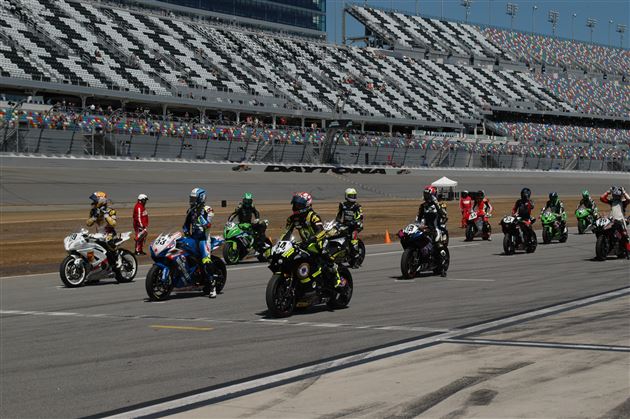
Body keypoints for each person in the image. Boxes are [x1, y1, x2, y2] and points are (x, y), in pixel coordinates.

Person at [283, 192, 340, 287]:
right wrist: (281, 244)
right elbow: (286, 233)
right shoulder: (291, 219)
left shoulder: (313, 217)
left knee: (325, 255)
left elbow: (321, 232)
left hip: (318, 242)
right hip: (305, 244)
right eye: (294, 204)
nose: (295, 207)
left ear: (306, 205)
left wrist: (311, 240)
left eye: (299, 205)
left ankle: (336, 276)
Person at [182, 187, 217, 298]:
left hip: (204, 239)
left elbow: (208, 225)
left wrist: (199, 216)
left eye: (193, 198)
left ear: (200, 198)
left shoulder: (208, 210)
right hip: (193, 238)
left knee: (206, 261)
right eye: (191, 198)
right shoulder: (190, 210)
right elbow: (186, 225)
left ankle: (212, 286)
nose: (191, 200)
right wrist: (186, 232)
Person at [86, 191, 123, 280]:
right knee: (87, 243)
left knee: (108, 241)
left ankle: (117, 259)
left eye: (95, 201)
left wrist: (106, 215)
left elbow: (113, 223)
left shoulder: (111, 211)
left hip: (109, 234)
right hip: (98, 234)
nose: (93, 203)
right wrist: (94, 217)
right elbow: (88, 223)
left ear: (101, 201)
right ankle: (94, 267)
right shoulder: (93, 211)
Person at [416, 185, 448, 277]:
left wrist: (436, 203)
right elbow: (418, 218)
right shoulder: (422, 206)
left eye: (428, 195)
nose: (426, 197)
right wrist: (418, 225)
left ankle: (443, 268)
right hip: (425, 228)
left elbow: (444, 215)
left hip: (435, 229)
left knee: (438, 245)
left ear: (433, 195)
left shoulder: (439, 205)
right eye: (425, 194)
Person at [335, 188, 364, 264]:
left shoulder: (357, 206)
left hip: (355, 225)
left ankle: (355, 260)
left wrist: (355, 221)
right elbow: (339, 215)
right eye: (351, 195)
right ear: (346, 196)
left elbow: (360, 216)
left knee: (353, 240)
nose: (353, 197)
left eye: (354, 195)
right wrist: (337, 222)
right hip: (345, 225)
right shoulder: (342, 204)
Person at [600, 186, 630, 252]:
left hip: (621, 220)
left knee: (625, 236)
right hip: (612, 220)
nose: (616, 197)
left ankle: (628, 251)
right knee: (603, 229)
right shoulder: (611, 201)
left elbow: (629, 199)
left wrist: (624, 192)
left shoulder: (623, 202)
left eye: (617, 196)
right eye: (614, 195)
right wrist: (608, 192)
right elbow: (602, 198)